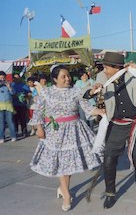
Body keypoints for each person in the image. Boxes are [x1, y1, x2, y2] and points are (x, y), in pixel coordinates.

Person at [85, 52, 136, 214]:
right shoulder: (102, 76)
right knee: (108, 160)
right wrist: (92, 91)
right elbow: (89, 92)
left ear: (116, 67)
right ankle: (110, 193)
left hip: (134, 123)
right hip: (116, 124)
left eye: (106, 66)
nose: (104, 69)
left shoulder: (132, 73)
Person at [29, 65, 105, 212]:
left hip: (74, 131)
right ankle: (66, 195)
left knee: (68, 164)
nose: (67, 78)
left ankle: (62, 189)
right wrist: (39, 127)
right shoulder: (47, 92)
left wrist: (101, 112)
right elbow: (37, 110)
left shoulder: (75, 91)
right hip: (55, 132)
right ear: (55, 79)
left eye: (68, 76)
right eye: (63, 76)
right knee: (61, 163)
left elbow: (87, 107)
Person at [0, 71, 17, 143]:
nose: (2, 79)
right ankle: (1, 137)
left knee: (10, 121)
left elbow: (13, 93)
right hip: (0, 106)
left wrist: (9, 87)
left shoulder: (9, 83)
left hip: (8, 106)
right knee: (1, 123)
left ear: (5, 77)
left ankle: (13, 136)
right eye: (0, 77)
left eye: (3, 77)